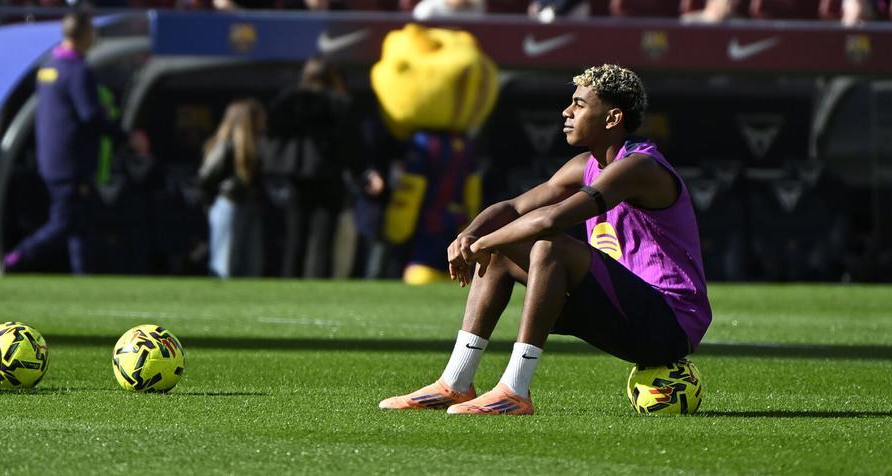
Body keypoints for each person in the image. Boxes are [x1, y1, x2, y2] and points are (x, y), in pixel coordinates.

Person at [379, 64, 711, 415]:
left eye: (580, 105)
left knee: (549, 244)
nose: (566, 112)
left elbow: (552, 219)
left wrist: (481, 245)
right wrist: (470, 233)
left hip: (669, 323)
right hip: (624, 311)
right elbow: (514, 206)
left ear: (612, 118)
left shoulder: (640, 167)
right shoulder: (585, 164)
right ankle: (456, 383)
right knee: (505, 248)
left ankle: (515, 390)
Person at [2, 12, 116, 275]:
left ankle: (82, 277)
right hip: (72, 160)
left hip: (50, 157)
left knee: (81, 223)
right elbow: (90, 115)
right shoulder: (77, 70)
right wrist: (118, 130)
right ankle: (15, 257)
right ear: (85, 34)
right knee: (65, 221)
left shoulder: (50, 66)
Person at [264, 57, 366, 278]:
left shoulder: (288, 99)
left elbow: (272, 131)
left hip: (296, 174)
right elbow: (352, 144)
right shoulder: (339, 102)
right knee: (324, 236)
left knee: (295, 235)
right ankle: (319, 280)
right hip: (328, 174)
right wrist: (361, 171)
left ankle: (291, 279)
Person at [199, 98, 266, 278]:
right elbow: (206, 176)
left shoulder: (258, 146)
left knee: (252, 262)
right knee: (225, 261)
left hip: (250, 204)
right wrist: (210, 202)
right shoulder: (227, 146)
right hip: (230, 203)